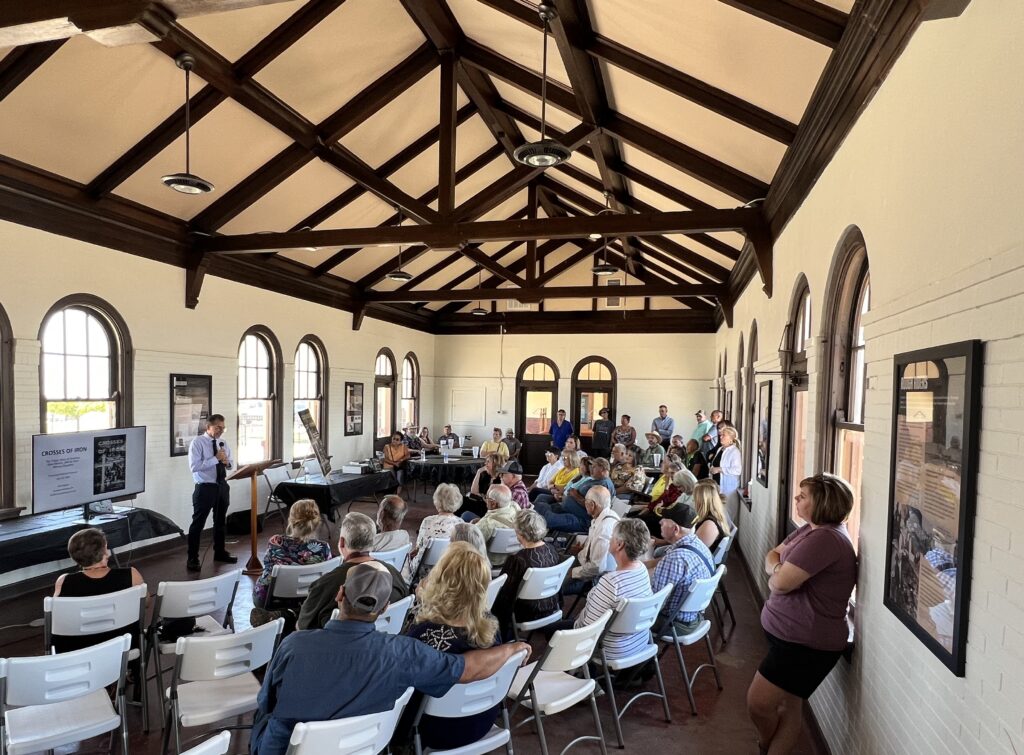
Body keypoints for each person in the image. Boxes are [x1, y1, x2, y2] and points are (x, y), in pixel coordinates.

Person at [252, 561, 531, 755]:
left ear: (340, 594)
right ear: (386, 607)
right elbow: (467, 668)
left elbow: (266, 703)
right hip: (364, 748)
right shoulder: (404, 652)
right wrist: (510, 648)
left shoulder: (293, 645)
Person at [747, 474, 857, 755]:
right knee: (790, 703)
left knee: (758, 703)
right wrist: (777, 569)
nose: (796, 498)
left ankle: (765, 744)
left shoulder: (826, 539)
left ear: (821, 502)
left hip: (805, 644)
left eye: (803, 495)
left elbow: (781, 583)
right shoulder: (809, 530)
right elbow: (773, 555)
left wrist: (776, 573)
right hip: (791, 638)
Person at [399, 543, 506, 751]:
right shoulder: (491, 627)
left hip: (435, 731)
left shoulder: (423, 632)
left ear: (441, 580)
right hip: (481, 721)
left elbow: (402, 690)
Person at [296, 512, 408, 630]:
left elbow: (301, 627)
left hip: (334, 646)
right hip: (385, 640)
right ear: (372, 542)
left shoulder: (324, 584)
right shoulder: (394, 574)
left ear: (342, 542)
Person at [570, 519, 653, 661]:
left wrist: (573, 627)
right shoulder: (641, 569)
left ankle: (586, 673)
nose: (609, 539)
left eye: (612, 536)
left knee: (552, 634)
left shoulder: (610, 582)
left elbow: (588, 630)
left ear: (620, 545)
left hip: (609, 649)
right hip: (637, 642)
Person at [52, 528, 145, 653]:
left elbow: (57, 616)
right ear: (104, 552)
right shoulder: (131, 575)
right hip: (123, 649)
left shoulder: (64, 582)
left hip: (77, 653)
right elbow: (145, 604)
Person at [251, 500, 332, 617]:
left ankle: (282, 615)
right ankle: (294, 613)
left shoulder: (276, 542)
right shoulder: (323, 548)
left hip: (272, 600)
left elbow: (268, 573)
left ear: (291, 520)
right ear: (316, 522)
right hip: (307, 599)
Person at [491, 509, 561, 640]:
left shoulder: (518, 560)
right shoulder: (552, 550)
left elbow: (503, 595)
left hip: (525, 613)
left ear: (520, 534)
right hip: (551, 606)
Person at [186, 413, 237, 572]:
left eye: (223, 428)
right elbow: (194, 467)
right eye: (217, 428)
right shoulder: (197, 443)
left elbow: (231, 464)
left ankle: (220, 552)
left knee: (220, 522)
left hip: (222, 486)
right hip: (205, 487)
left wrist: (227, 462)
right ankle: (192, 558)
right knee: (198, 524)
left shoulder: (223, 442)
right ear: (208, 427)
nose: (221, 431)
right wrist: (215, 459)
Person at [651, 515, 715, 636]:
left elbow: (655, 604)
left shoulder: (676, 558)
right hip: (694, 617)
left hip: (675, 624)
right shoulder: (698, 544)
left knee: (619, 615)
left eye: (664, 521)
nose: (660, 522)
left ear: (675, 529)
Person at [563, 486, 621, 594]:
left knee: (554, 586)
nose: (585, 505)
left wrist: (573, 572)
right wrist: (583, 550)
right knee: (558, 560)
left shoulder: (604, 528)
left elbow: (597, 568)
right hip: (586, 562)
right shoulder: (608, 515)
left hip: (595, 578)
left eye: (586, 502)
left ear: (592, 505)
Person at [535, 457, 615, 534]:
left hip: (581, 520)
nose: (591, 469)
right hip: (569, 510)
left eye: (594, 467)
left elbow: (595, 508)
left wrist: (575, 495)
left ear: (602, 469)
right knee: (539, 506)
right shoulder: (596, 480)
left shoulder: (603, 485)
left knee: (546, 519)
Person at [407, 483, 463, 578]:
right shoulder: (461, 523)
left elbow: (418, 548)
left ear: (437, 501)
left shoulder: (428, 521)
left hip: (424, 573)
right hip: (448, 571)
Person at [635, 468, 698, 537]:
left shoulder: (695, 497)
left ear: (686, 483)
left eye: (679, 486)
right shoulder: (685, 493)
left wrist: (658, 509)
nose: (678, 489)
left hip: (676, 525)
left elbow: (681, 515)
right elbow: (673, 507)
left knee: (641, 521)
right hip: (669, 518)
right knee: (639, 519)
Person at [467, 485, 518, 566]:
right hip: (510, 560)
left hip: (489, 562)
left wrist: (471, 526)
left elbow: (470, 543)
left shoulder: (488, 523)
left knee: (466, 516)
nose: (485, 500)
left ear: (493, 503)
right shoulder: (515, 507)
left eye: (486, 498)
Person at [690, 479, 733, 553]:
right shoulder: (717, 513)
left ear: (702, 501)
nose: (693, 501)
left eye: (695, 498)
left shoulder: (709, 525)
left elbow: (693, 551)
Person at [459, 452, 501, 518]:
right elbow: (473, 492)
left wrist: (483, 497)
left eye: (488, 462)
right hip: (480, 502)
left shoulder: (500, 479)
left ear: (495, 464)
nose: (485, 464)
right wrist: (478, 472)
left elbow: (493, 500)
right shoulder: (486, 476)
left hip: (488, 508)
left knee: (463, 506)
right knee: (461, 500)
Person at [709, 425, 742, 496]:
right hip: (716, 486)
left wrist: (720, 469)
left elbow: (737, 470)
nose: (720, 437)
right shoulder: (720, 449)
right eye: (721, 435)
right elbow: (715, 463)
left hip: (728, 489)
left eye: (723, 435)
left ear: (731, 438)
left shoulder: (734, 451)